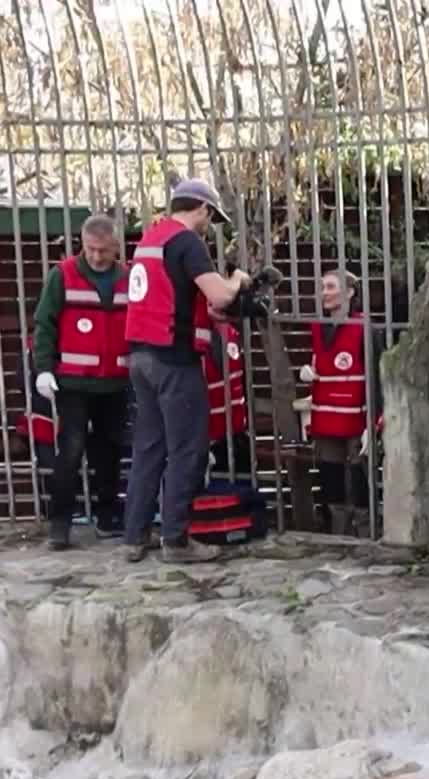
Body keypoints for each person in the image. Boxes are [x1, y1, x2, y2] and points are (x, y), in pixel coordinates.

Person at [120, 179, 250, 564]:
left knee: (149, 449)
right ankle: (175, 540)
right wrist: (239, 281)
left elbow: (171, 296)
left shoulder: (150, 240)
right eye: (212, 218)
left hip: (140, 358)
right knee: (187, 449)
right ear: (204, 210)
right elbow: (221, 296)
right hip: (173, 359)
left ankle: (134, 537)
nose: (209, 226)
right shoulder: (187, 241)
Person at [30, 214, 129, 551]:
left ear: (115, 246)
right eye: (90, 249)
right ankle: (60, 524)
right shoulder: (64, 275)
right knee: (70, 453)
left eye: (103, 250)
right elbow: (45, 323)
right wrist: (43, 368)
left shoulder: (129, 279)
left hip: (115, 382)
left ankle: (106, 518)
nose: (96, 257)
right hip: (73, 383)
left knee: (109, 453)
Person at [297, 268, 385, 536]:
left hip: (356, 420)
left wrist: (375, 422)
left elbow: (377, 378)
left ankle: (366, 533)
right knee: (330, 478)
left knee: (360, 479)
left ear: (349, 292)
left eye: (331, 286)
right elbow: (320, 364)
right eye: (323, 287)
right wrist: (307, 373)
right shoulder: (317, 327)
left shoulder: (364, 328)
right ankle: (338, 536)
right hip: (325, 420)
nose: (325, 292)